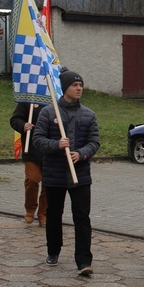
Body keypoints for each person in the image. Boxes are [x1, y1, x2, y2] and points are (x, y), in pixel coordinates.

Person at [33, 70, 100, 276]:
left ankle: (83, 260)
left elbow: (94, 141)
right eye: (74, 85)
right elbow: (37, 139)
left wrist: (81, 154)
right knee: (54, 214)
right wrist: (56, 144)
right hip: (55, 175)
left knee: (82, 217)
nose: (79, 88)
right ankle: (53, 250)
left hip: (80, 175)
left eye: (80, 85)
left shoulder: (88, 114)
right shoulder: (48, 113)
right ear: (64, 88)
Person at [10, 102, 47, 227]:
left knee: (49, 184)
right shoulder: (28, 99)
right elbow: (15, 119)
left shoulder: (57, 98)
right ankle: (30, 209)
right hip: (31, 149)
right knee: (32, 179)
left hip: (51, 150)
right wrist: (23, 125)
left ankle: (44, 214)